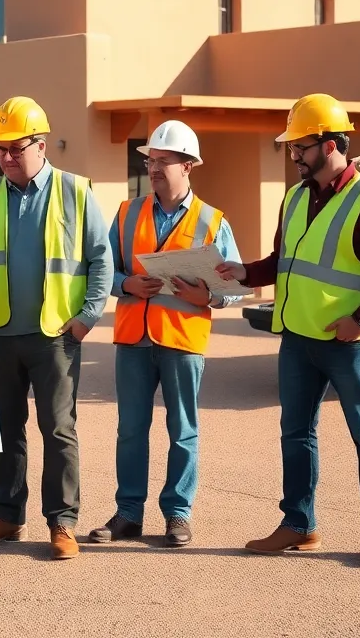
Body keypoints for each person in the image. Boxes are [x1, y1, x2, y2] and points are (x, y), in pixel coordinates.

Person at [215, 93, 360, 566]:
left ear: (329, 145)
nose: (293, 156)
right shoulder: (295, 197)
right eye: (291, 147)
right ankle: (298, 524)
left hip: (349, 343)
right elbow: (283, 261)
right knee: (296, 433)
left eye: (299, 147)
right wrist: (243, 272)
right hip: (298, 337)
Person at [0, 96, 113, 560]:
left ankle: (63, 523)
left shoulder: (75, 191)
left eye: (16, 148)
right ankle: (8, 515)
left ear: (41, 146)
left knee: (58, 429)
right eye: (0, 149)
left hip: (56, 336)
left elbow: (101, 259)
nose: (7, 157)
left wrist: (87, 318)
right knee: (5, 429)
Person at [89, 120, 244, 549]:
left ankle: (178, 514)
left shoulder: (213, 221)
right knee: (130, 430)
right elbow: (102, 270)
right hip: (133, 339)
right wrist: (126, 284)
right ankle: (128, 515)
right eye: (150, 161)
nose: (154, 168)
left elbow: (235, 285)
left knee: (183, 430)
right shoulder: (126, 214)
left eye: (164, 161)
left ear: (188, 165)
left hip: (182, 340)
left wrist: (207, 297)